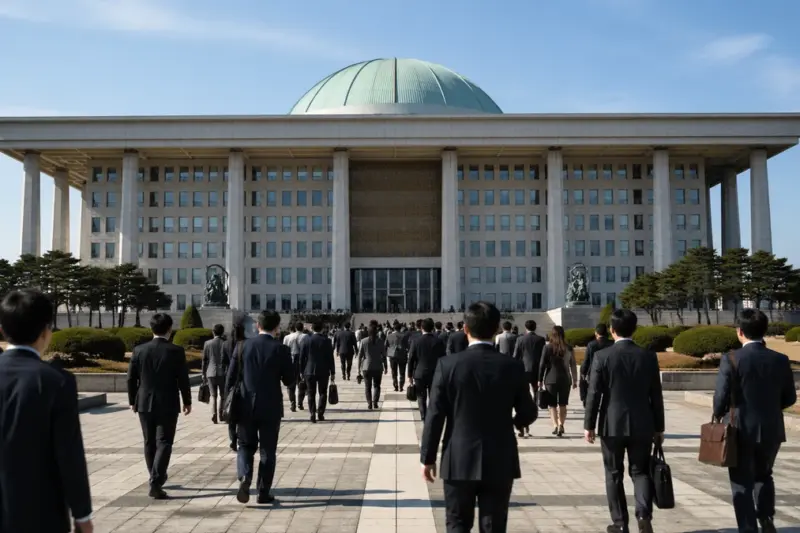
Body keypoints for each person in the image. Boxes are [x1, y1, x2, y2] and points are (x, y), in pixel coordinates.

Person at [420, 301, 537, 532]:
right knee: (494, 525)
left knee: (457, 523)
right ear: (496, 329)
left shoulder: (448, 365)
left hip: (458, 455)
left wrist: (428, 457)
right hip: (500, 455)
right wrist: (513, 423)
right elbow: (529, 411)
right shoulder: (512, 366)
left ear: (465, 328)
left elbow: (435, 415)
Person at [0, 289, 94, 533]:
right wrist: (82, 514)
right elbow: (69, 454)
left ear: (2, 329)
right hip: (40, 512)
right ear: (46, 331)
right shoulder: (56, 381)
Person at [713, 309, 797, 533]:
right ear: (765, 331)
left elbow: (720, 397)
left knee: (741, 480)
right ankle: (766, 518)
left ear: (740, 332)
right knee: (764, 474)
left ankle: (748, 527)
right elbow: (790, 397)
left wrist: (718, 415)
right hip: (771, 427)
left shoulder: (731, 358)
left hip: (740, 428)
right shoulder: (780, 359)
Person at [584, 309, 665, 533]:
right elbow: (656, 395)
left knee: (613, 473)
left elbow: (594, 394)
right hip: (643, 422)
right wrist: (659, 427)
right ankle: (643, 516)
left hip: (612, 424)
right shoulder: (648, 356)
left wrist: (588, 425)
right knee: (640, 472)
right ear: (635, 329)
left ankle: (620, 523)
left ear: (612, 330)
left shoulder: (602, 356)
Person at [227, 310, 295, 504]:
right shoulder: (280, 349)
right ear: (277, 328)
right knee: (267, 451)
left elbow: (230, 379)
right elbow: (289, 380)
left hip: (244, 405)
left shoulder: (241, 347)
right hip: (270, 406)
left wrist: (227, 405)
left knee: (245, 446)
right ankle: (263, 492)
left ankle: (245, 477)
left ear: (258, 325)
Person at [127, 313, 192, 500]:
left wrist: (132, 400)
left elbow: (131, 378)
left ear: (151, 328)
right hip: (168, 402)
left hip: (144, 402)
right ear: (170, 329)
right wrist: (187, 401)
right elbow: (183, 379)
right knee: (165, 441)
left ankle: (154, 476)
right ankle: (156, 481)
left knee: (149, 441)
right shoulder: (176, 351)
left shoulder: (139, 350)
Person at [537, 325, 578, 437]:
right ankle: (561, 424)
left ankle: (555, 425)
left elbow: (542, 365)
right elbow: (573, 364)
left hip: (550, 379)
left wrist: (539, 379)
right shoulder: (569, 348)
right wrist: (575, 379)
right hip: (565, 379)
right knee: (563, 404)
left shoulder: (547, 347)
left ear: (552, 334)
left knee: (552, 405)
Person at [407, 318, 446, 421]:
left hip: (420, 373)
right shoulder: (438, 341)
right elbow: (444, 358)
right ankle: (433, 416)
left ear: (421, 328)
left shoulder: (416, 341)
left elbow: (411, 359)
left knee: (421, 396)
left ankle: (424, 417)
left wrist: (409, 375)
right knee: (433, 397)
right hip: (435, 373)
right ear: (432, 327)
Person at [513, 319, 546, 438]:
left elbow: (516, 356)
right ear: (535, 327)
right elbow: (544, 356)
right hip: (537, 369)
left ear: (526, 328)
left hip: (524, 370)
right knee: (536, 389)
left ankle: (524, 419)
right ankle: (535, 407)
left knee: (524, 393)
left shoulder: (520, 339)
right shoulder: (541, 339)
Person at [301, 321, 337, 423]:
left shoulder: (306, 340)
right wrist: (333, 372)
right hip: (323, 370)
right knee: (322, 393)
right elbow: (330, 358)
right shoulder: (327, 341)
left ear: (312, 329)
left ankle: (312, 413)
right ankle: (320, 413)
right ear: (322, 329)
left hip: (309, 370)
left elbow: (302, 357)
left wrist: (301, 370)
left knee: (311, 393)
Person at [223, 320, 246, 451]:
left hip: (230, 380)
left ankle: (233, 438)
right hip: (243, 381)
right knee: (242, 413)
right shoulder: (246, 343)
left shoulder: (226, 344)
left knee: (231, 410)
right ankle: (241, 437)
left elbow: (223, 361)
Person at [358, 320, 389, 410]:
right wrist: (386, 366)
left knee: (367, 387)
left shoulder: (363, 341)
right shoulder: (380, 341)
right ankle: (375, 402)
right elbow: (384, 355)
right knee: (377, 385)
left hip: (366, 367)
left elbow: (360, 356)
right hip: (378, 367)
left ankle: (369, 403)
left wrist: (358, 370)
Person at [580, 324, 614, 406]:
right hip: (609, 372)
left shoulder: (591, 344)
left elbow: (586, 361)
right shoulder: (612, 343)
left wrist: (583, 372)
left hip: (594, 372)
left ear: (596, 333)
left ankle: (585, 399)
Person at [202, 323, 226, 424]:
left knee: (213, 395)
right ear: (222, 332)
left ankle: (214, 414)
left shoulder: (207, 343)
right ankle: (221, 414)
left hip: (210, 372)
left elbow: (204, 360)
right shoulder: (225, 343)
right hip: (222, 372)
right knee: (223, 395)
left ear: (213, 332)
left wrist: (203, 373)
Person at [283, 322, 307, 411]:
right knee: (301, 383)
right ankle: (300, 403)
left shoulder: (287, 337)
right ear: (302, 328)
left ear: (295, 328)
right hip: (302, 362)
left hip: (290, 361)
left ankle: (292, 402)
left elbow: (284, 351)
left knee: (290, 384)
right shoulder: (306, 337)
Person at [385, 322, 408, 391]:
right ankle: (401, 385)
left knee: (394, 371)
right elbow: (407, 345)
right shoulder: (404, 336)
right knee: (402, 372)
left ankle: (395, 385)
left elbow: (386, 345)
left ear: (394, 328)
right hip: (402, 355)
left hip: (392, 355)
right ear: (400, 328)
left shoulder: (389, 336)